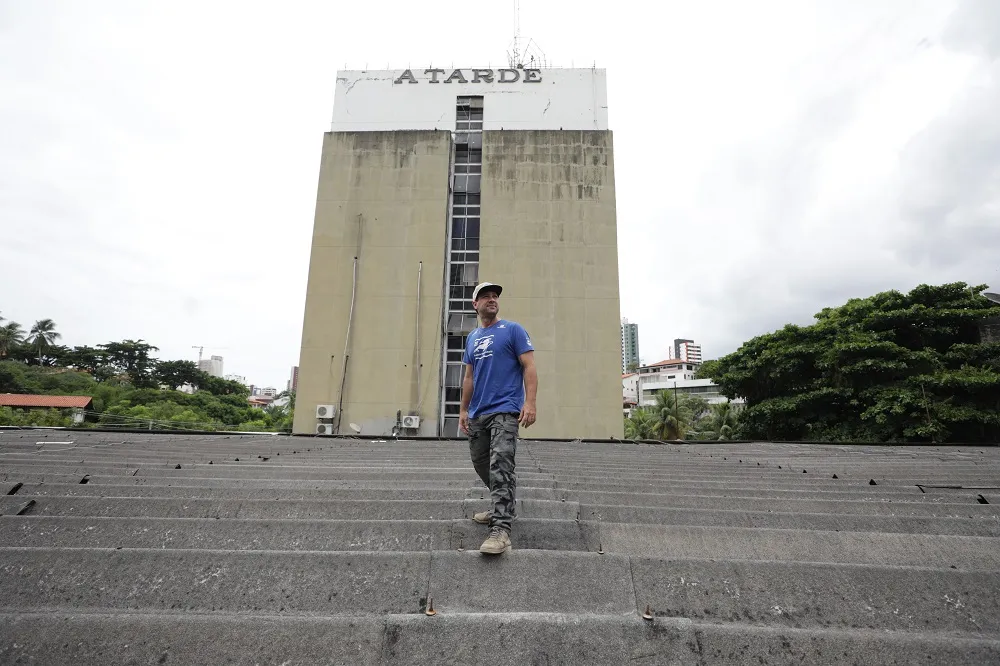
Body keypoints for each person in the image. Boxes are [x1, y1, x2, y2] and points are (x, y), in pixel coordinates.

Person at [459, 281, 537, 555]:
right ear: (475, 304)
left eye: (495, 296)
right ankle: (500, 505)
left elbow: (529, 367)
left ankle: (501, 529)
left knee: (500, 464)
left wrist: (529, 402)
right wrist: (463, 409)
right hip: (479, 412)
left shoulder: (513, 330)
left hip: (506, 409)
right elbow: (469, 377)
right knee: (481, 462)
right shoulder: (472, 338)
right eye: (485, 296)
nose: (492, 299)